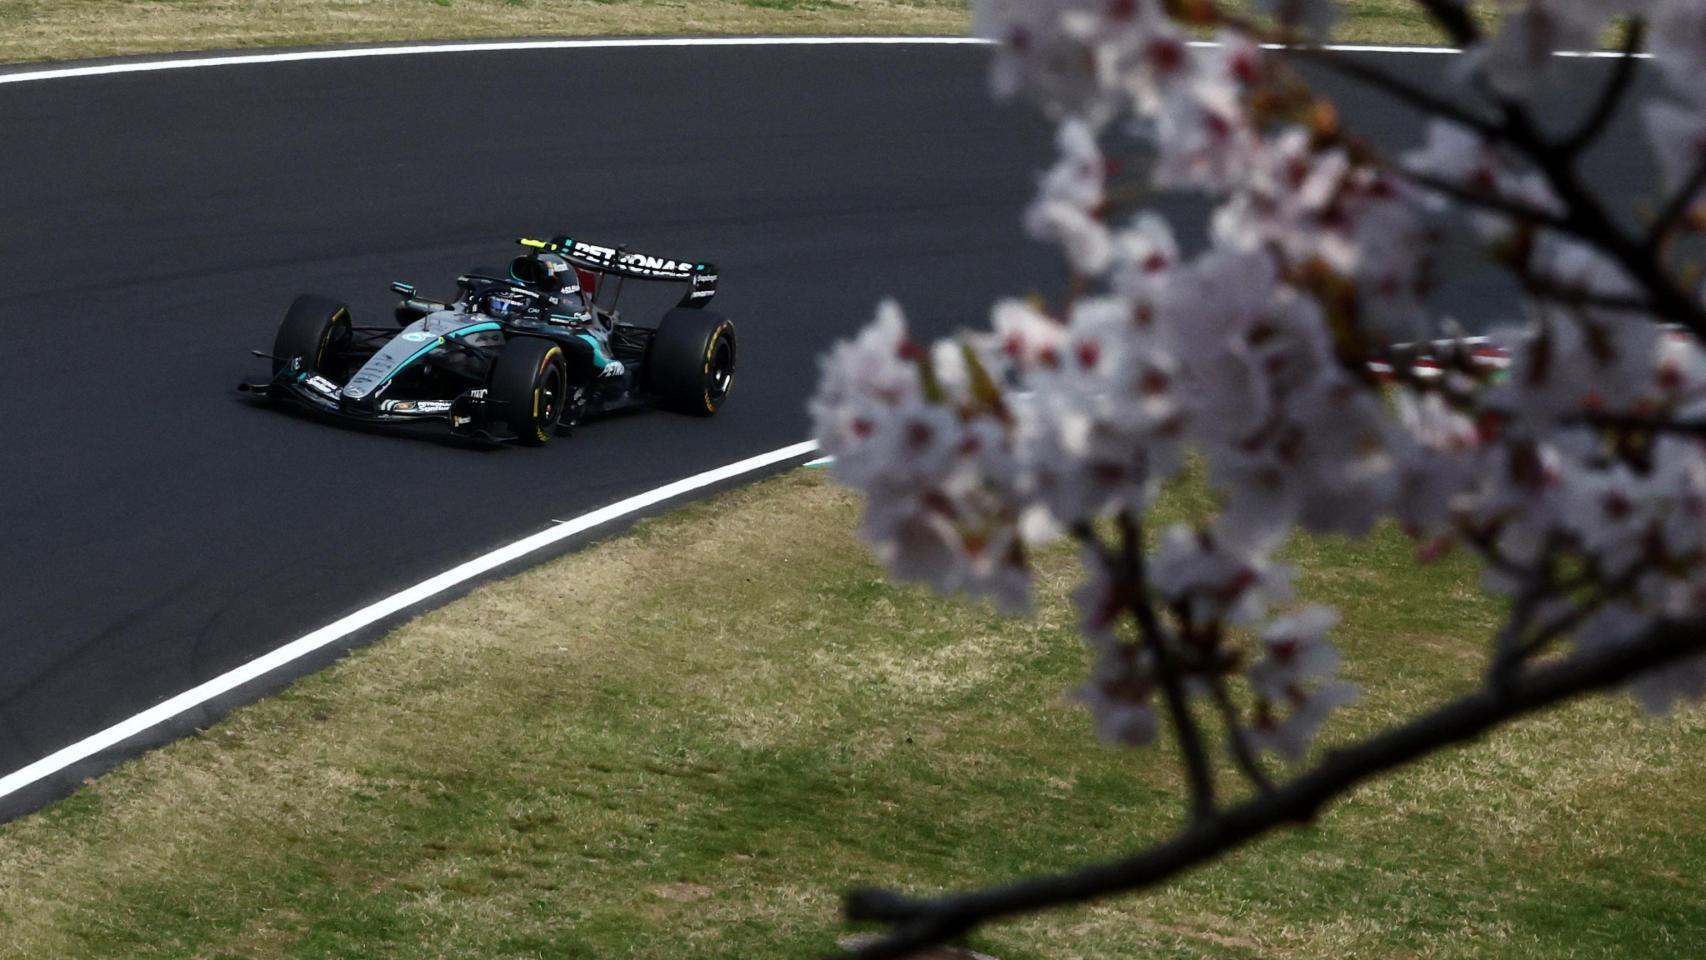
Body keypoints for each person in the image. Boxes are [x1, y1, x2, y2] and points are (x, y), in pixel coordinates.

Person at [510, 252, 625, 379]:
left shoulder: (571, 304)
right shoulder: (517, 294)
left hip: (576, 335)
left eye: (539, 274)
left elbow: (581, 325)